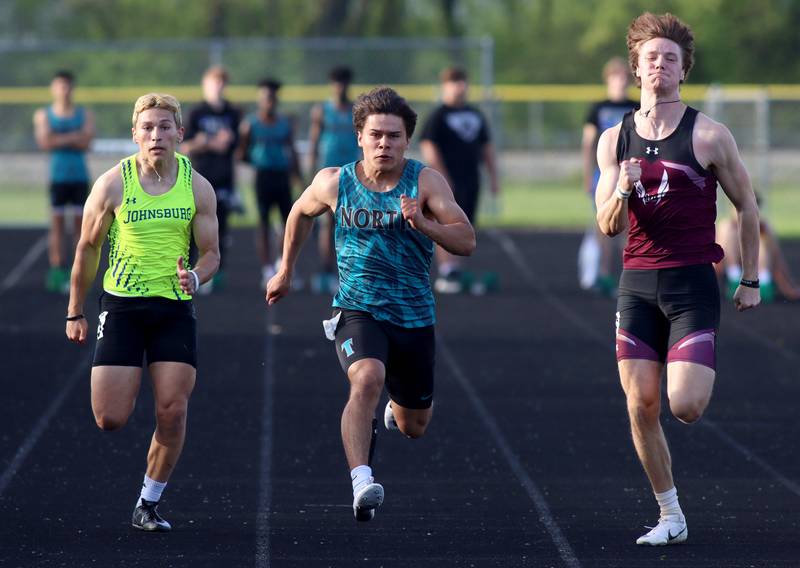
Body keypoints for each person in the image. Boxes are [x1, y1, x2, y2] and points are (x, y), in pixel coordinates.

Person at [267, 86, 475, 522]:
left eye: (394, 137)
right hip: (357, 308)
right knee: (366, 378)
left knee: (416, 425)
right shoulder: (333, 181)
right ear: (359, 136)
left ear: (407, 140)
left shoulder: (425, 182)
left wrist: (422, 223)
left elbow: (466, 241)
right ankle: (362, 481)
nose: (385, 144)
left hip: (414, 316)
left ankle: (397, 411)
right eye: (376, 135)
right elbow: (299, 213)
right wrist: (286, 270)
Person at [595, 12, 761, 546]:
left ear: (683, 69)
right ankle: (671, 515)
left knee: (685, 406)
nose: (659, 66)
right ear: (636, 68)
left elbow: (747, 207)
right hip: (637, 286)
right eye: (651, 57)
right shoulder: (613, 139)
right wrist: (622, 189)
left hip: (691, 285)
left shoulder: (709, 134)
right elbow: (605, 226)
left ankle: (694, 362)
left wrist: (751, 278)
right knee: (640, 405)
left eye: (670, 58)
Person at [65, 93, 220, 532]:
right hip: (123, 308)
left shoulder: (197, 186)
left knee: (172, 411)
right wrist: (75, 311)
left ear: (180, 134)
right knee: (109, 417)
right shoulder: (113, 184)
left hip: (173, 308)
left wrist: (197, 275)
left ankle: (147, 503)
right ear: (135, 134)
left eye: (165, 127)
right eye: (148, 127)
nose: (156, 135)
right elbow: (88, 248)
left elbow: (211, 253)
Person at [420, 66, 500, 294]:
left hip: (471, 178)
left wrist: (493, 177)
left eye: (462, 81)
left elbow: (486, 147)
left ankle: (457, 268)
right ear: (445, 86)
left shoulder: (475, 114)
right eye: (454, 82)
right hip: (447, 181)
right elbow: (429, 146)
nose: (460, 87)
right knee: (445, 222)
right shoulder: (439, 116)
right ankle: (447, 270)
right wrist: (442, 177)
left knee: (465, 223)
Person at [579, 58, 638, 296]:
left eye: (624, 77)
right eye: (616, 77)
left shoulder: (636, 106)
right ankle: (602, 274)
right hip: (604, 173)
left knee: (629, 227)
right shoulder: (598, 108)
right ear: (608, 80)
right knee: (603, 225)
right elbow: (588, 144)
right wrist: (587, 175)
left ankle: (630, 275)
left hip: (630, 171)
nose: (620, 82)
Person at [33, 70, 95, 293]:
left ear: (72, 88)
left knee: (81, 226)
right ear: (53, 88)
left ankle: (77, 270)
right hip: (58, 177)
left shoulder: (84, 114)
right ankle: (57, 269)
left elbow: (87, 141)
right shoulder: (44, 114)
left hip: (79, 176)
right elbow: (44, 141)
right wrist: (73, 137)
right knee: (57, 225)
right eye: (59, 85)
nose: (64, 90)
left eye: (67, 85)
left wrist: (59, 138)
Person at [237, 78, 302, 289]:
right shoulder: (251, 124)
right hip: (263, 176)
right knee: (263, 222)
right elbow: (242, 153)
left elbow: (292, 152)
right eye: (266, 97)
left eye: (273, 98)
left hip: (282, 176)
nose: (269, 102)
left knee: (288, 222)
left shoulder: (284, 124)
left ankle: (284, 265)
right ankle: (266, 269)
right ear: (260, 99)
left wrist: (298, 178)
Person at [181, 65, 241, 292]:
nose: (218, 87)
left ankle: (217, 274)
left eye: (221, 83)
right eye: (213, 82)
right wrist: (208, 142)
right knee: (192, 226)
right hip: (200, 177)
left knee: (221, 228)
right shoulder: (197, 113)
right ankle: (191, 272)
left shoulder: (232, 113)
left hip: (223, 178)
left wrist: (213, 142)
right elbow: (186, 145)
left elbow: (233, 145)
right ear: (205, 85)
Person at [308, 66, 362, 294]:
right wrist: (310, 174)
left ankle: (350, 272)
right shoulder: (322, 110)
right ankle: (326, 270)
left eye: (344, 82)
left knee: (352, 223)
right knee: (327, 224)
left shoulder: (356, 111)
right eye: (336, 82)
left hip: (351, 173)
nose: (340, 86)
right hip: (328, 173)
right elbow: (313, 143)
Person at [716, 194, 800, 302]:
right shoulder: (726, 226)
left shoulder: (763, 227)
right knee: (729, 232)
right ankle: (735, 276)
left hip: (758, 283)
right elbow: (717, 263)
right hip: (734, 281)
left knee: (762, 238)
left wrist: (788, 289)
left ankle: (763, 280)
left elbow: (777, 261)